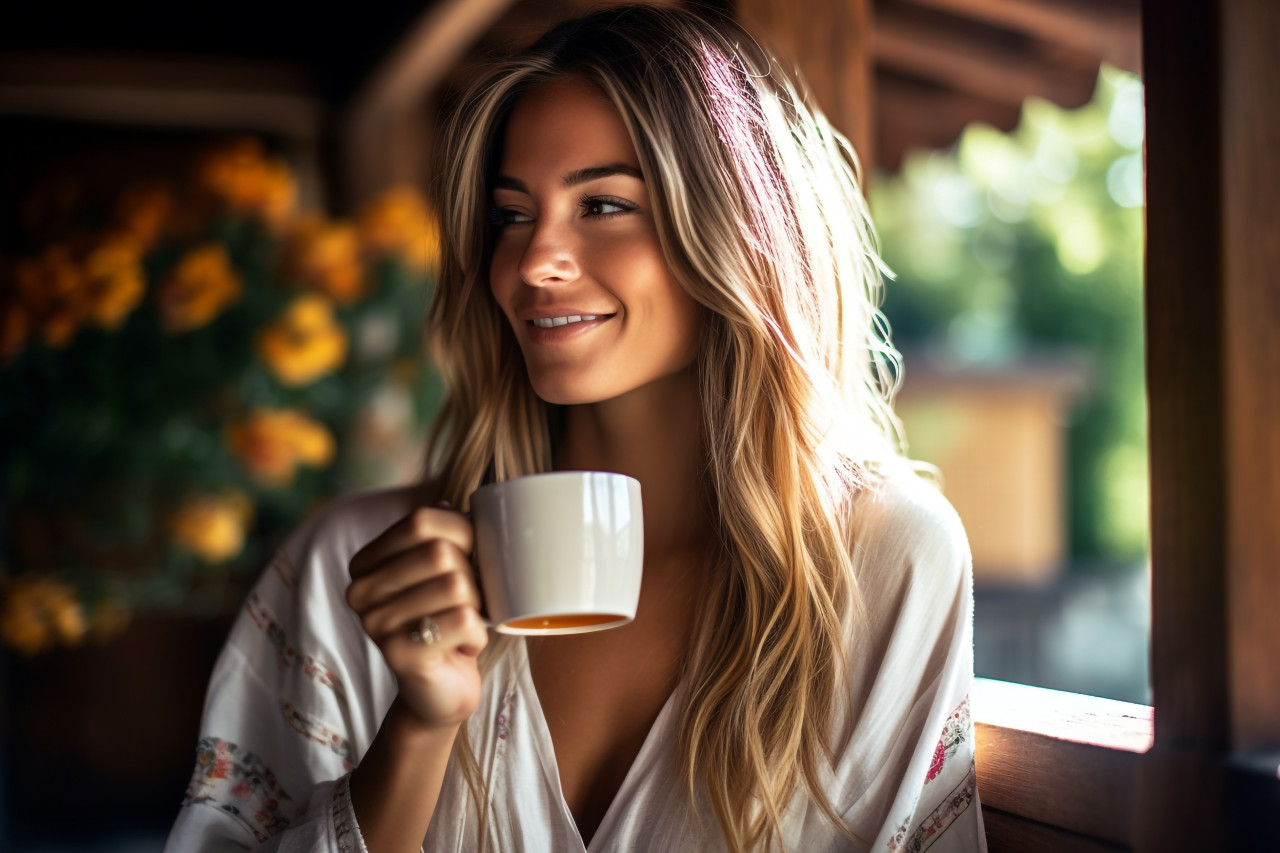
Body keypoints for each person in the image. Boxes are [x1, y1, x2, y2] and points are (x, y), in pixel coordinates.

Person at [165, 5, 987, 852]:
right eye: (513, 215)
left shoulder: (887, 561)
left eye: (602, 204)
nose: (532, 261)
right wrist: (417, 727)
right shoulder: (346, 570)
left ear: (741, 236)